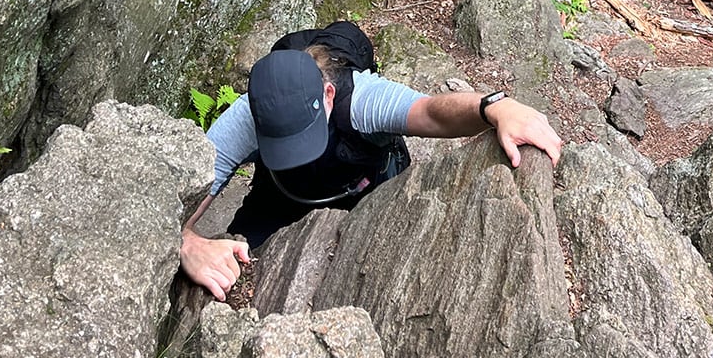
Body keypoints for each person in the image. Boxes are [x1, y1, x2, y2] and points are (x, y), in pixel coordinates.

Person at [180, 21, 563, 299]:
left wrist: (495, 107)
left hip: (365, 189)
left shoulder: (362, 100)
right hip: (282, 197)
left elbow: (432, 112)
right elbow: (192, 186)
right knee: (235, 266)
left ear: (329, 95)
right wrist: (185, 243)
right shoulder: (252, 112)